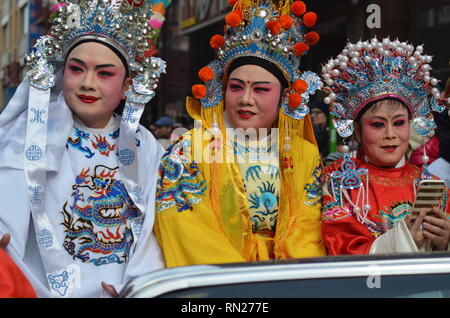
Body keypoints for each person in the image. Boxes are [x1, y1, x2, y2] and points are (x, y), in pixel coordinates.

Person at [0, 0, 169, 297]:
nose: (87, 83)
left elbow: (153, 229)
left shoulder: (144, 144)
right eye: (77, 69)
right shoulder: (27, 135)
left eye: (104, 73)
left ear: (128, 85)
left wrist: (138, 286)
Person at [154, 0, 326, 267]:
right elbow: (186, 228)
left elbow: (308, 231)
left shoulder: (304, 153)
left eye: (260, 89)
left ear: (284, 96)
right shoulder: (189, 150)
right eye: (236, 87)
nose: (246, 99)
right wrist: (239, 282)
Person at [320, 38, 450, 255]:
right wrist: (404, 238)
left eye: (399, 123)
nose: (390, 135)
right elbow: (342, 252)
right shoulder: (341, 185)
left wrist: (446, 241)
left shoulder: (434, 187)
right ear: (359, 132)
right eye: (378, 125)